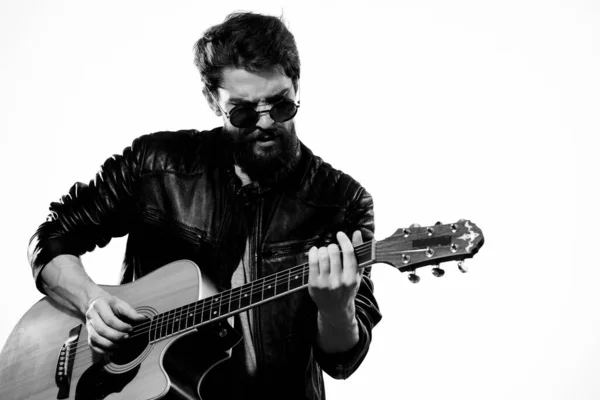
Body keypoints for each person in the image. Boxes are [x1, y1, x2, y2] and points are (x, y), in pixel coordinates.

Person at [27, 11, 382, 400]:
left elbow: (342, 360)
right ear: (213, 101)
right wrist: (91, 301)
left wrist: (337, 308)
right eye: (244, 112)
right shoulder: (155, 164)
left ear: (297, 87)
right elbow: (53, 236)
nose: (264, 123)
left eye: (280, 106)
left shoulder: (341, 201)